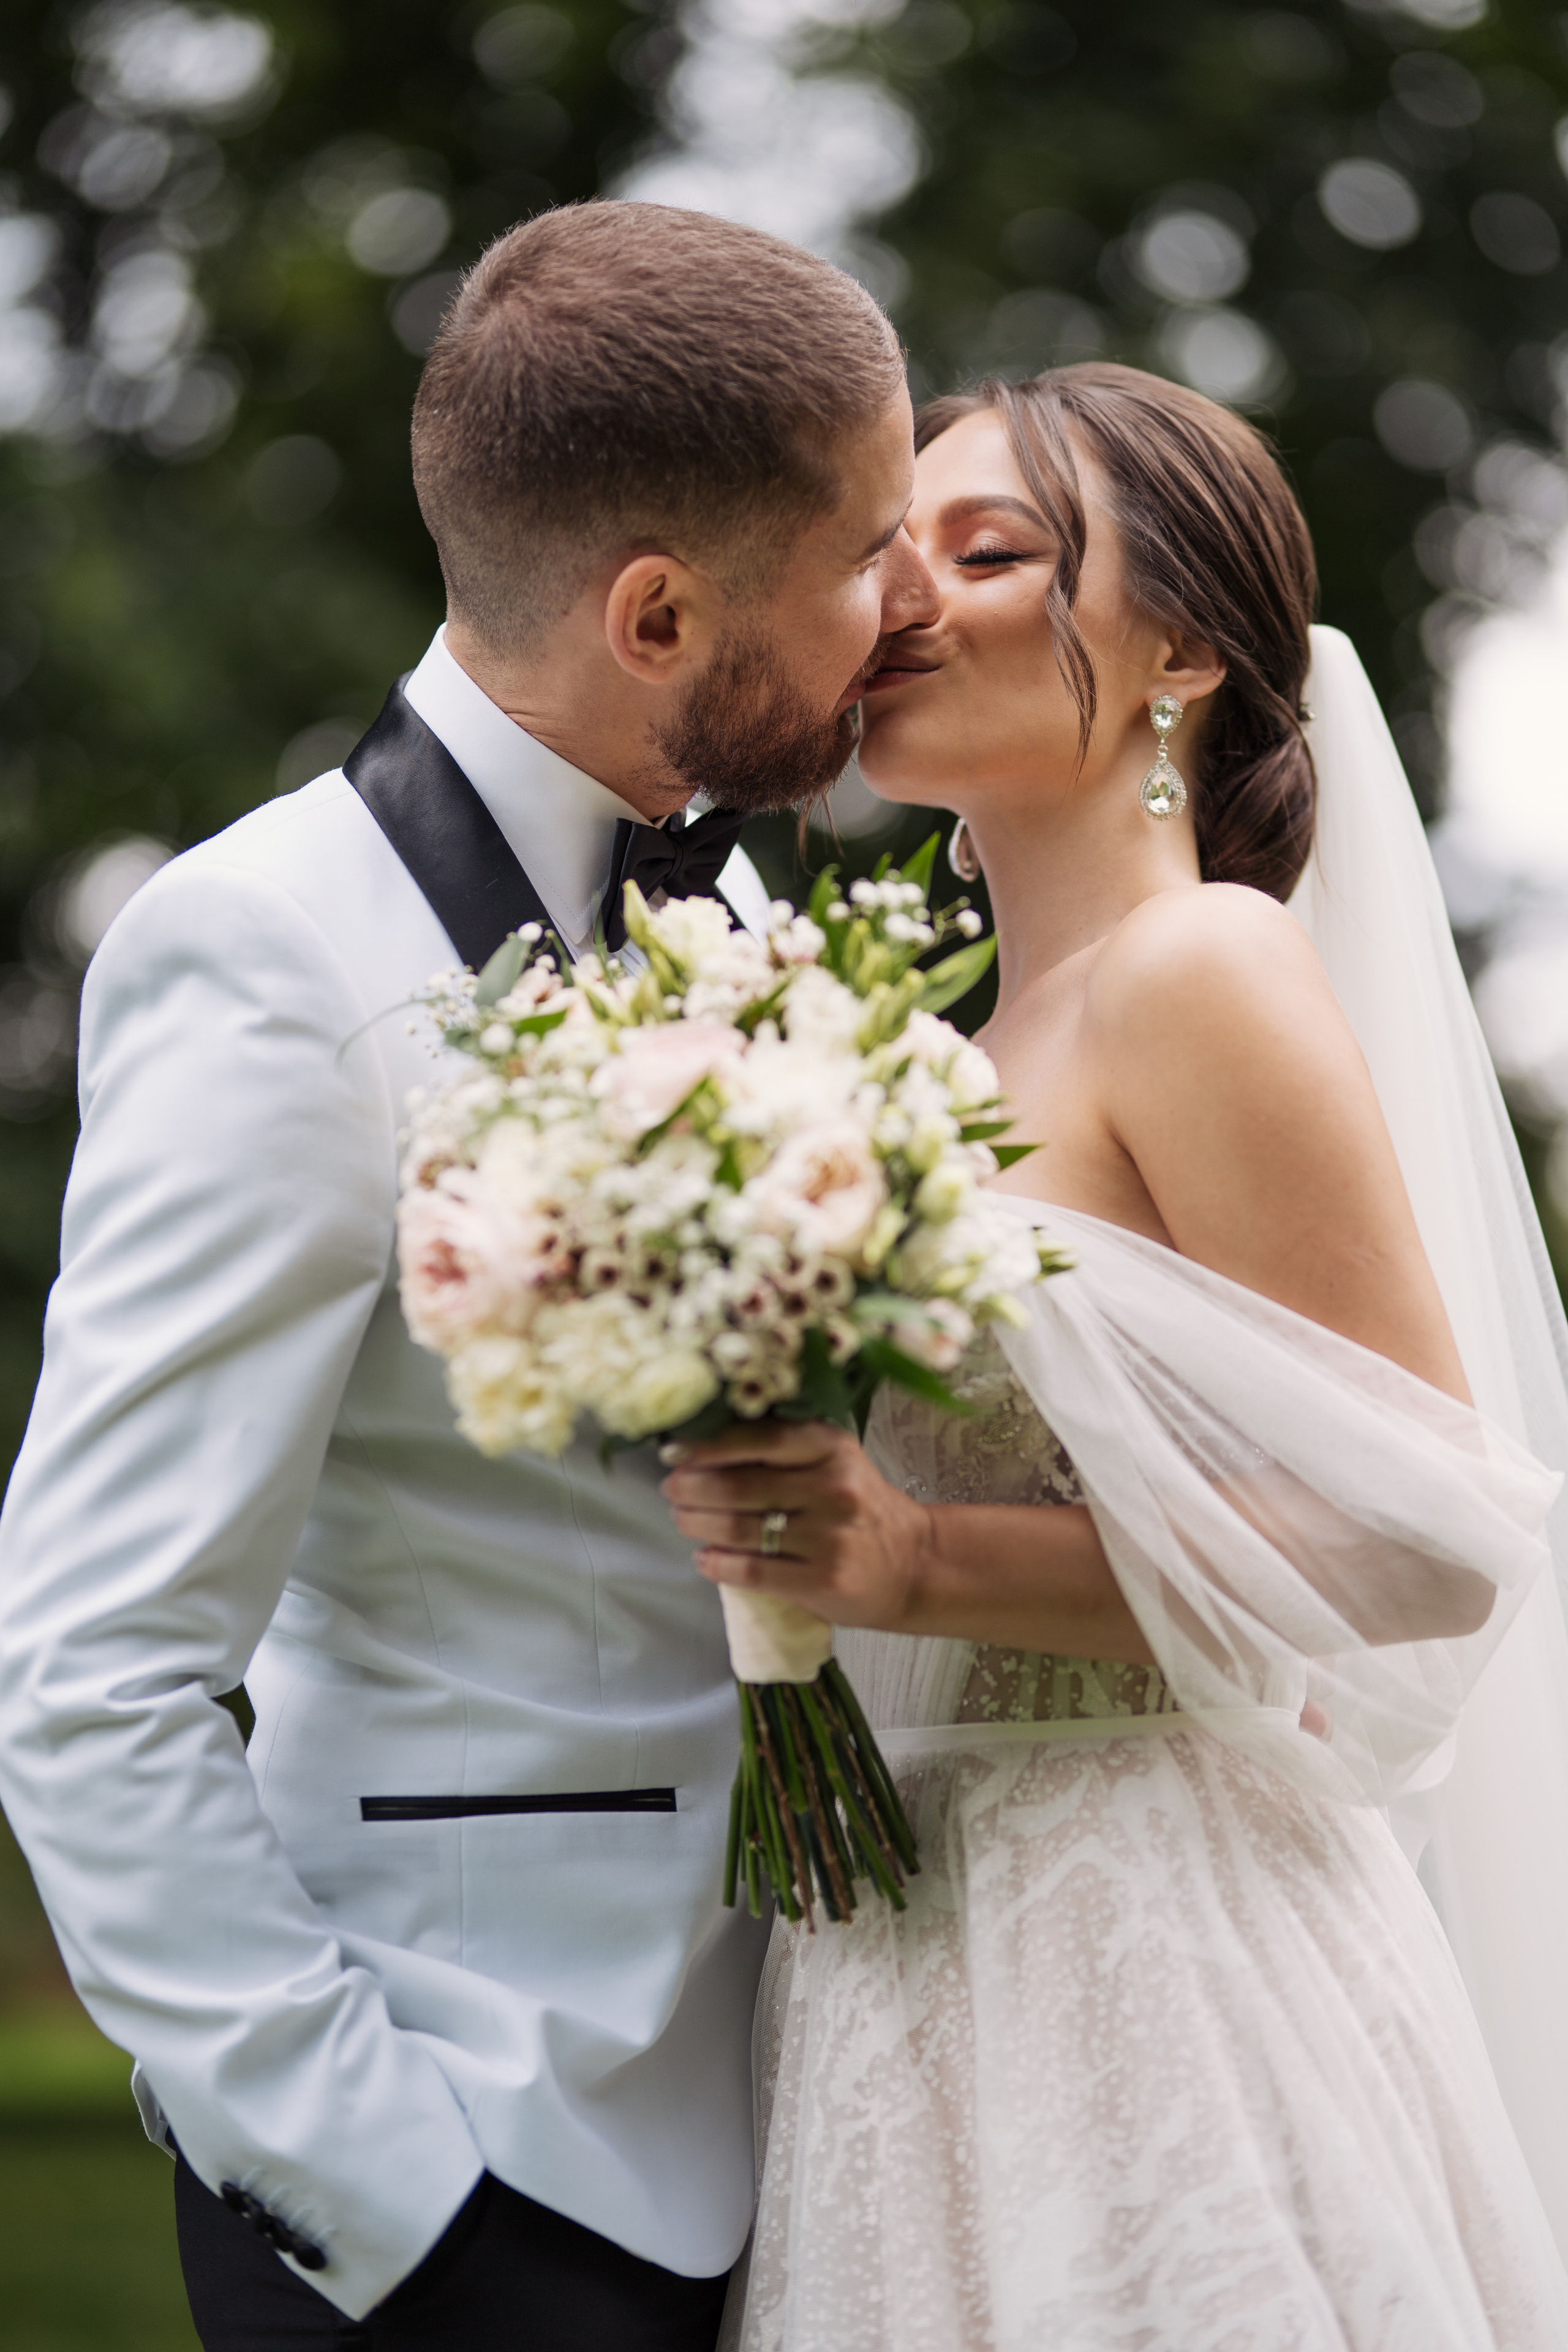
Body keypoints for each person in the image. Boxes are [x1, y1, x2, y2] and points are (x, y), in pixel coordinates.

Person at [0, 201, 936, 2350]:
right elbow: (91, 1671)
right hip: (474, 2171)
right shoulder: (266, 958)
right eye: (870, 548)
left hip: (807, 2128)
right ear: (658, 609)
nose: (900, 609)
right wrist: (391, 2211)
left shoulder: (760, 915)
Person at [661, 363, 1568, 2349]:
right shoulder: (938, 1055)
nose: (899, 592)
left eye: (988, 553)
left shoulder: (1204, 970)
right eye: (894, 545)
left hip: (1158, 1945)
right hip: (904, 1955)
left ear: (1176, 656)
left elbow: (1428, 1541)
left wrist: (908, 1565)